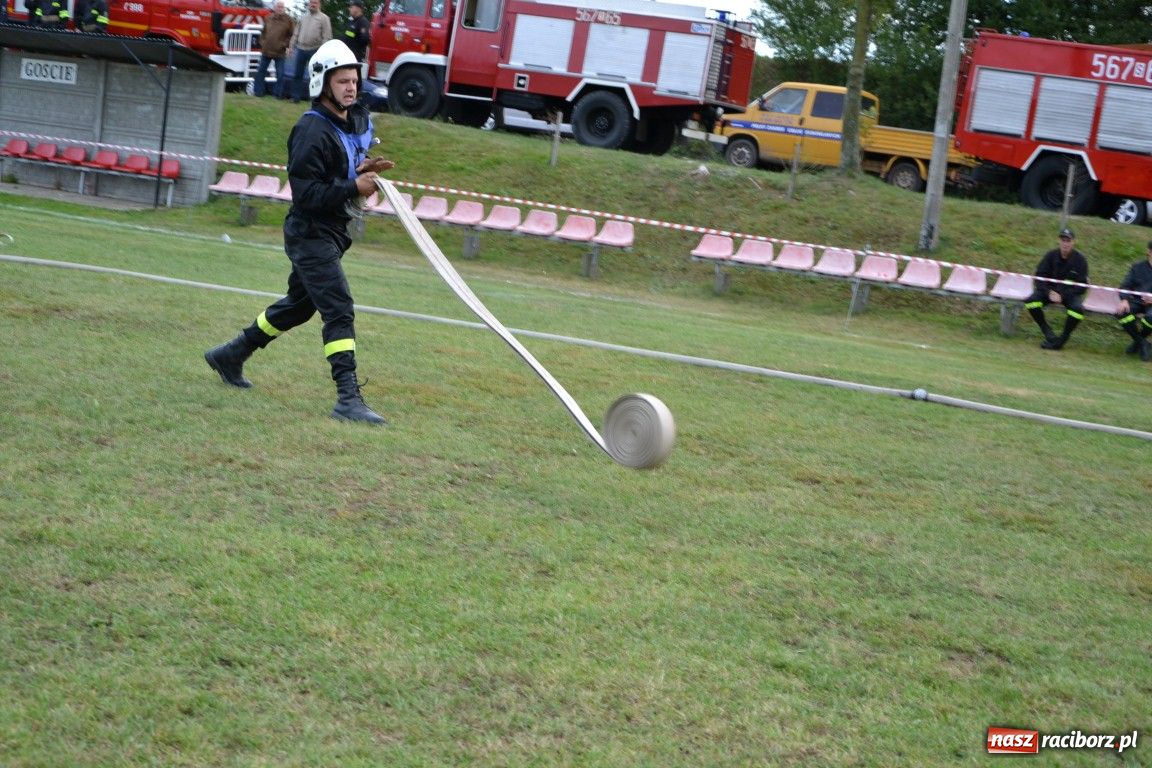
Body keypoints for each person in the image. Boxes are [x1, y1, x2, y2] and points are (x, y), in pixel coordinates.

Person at [204, 40, 395, 426]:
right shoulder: (311, 130)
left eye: (354, 81)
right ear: (323, 84)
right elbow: (307, 195)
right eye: (342, 81)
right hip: (310, 233)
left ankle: (231, 354)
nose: (351, 88)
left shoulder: (347, 123)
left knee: (299, 306)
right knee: (338, 307)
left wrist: (360, 172)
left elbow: (336, 173)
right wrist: (353, 187)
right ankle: (347, 399)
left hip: (332, 231)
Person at [1024, 227, 1089, 350]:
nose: (1065, 243)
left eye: (1068, 241)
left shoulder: (1080, 260)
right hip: (1049, 292)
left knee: (1077, 310)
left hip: (1069, 294)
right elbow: (1039, 277)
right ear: (1059, 241)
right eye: (1063, 240)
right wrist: (1049, 292)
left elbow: (1082, 286)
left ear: (1073, 242)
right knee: (1031, 301)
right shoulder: (1050, 256)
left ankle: (1062, 340)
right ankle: (1049, 334)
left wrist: (1062, 296)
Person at [287, 0, 332, 103]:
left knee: (315, 76)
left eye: (315, 3)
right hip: (301, 49)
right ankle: (295, 97)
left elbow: (327, 36)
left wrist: (322, 51)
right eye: (311, 2)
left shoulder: (324, 18)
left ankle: (314, 99)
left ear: (319, 4)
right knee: (297, 74)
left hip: (315, 50)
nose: (312, 4)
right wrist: (291, 46)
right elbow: (296, 33)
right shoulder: (303, 17)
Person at [1115, 241, 1152, 361]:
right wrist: (1124, 300)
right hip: (1137, 301)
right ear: (1149, 252)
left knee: (1150, 318)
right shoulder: (1137, 267)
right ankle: (1142, 343)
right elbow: (1125, 286)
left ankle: (1137, 343)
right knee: (1121, 312)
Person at [253, 0, 294, 98]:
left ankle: (277, 95)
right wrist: (262, 43)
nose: (280, 8)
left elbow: (292, 35)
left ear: (284, 8)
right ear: (275, 8)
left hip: (280, 52)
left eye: (282, 7)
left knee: (280, 74)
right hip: (266, 50)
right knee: (260, 72)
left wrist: (284, 44)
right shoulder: (268, 18)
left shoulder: (289, 20)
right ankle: (258, 93)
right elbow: (263, 32)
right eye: (278, 6)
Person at [343, 0, 371, 65]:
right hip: (347, 56)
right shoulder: (352, 21)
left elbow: (365, 39)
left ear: (358, 9)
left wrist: (354, 50)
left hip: (355, 59)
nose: (349, 9)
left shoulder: (363, 22)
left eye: (351, 7)